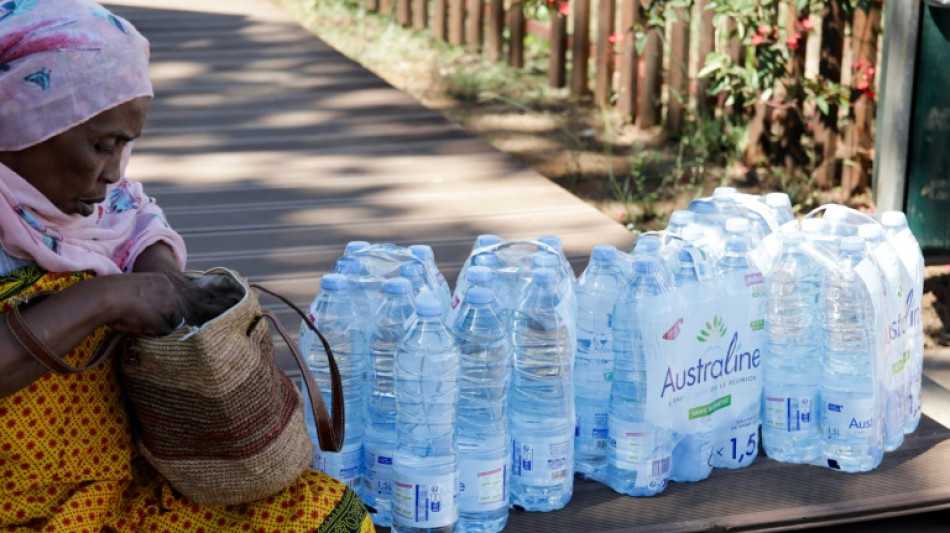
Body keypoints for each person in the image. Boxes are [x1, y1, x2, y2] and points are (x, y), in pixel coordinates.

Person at [0, 1, 375, 531]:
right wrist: (109, 297)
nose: (113, 173)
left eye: (126, 146)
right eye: (102, 145)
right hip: (17, 506)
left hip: (115, 483)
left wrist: (162, 276)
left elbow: (134, 218)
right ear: (22, 121)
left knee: (324, 516)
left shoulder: (81, 198)